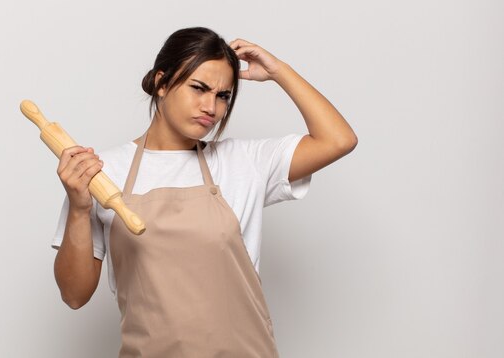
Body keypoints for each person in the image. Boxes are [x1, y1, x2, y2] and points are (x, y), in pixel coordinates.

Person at [51, 27, 357, 357]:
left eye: (223, 95)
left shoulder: (244, 162)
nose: (211, 106)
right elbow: (74, 294)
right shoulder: (101, 174)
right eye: (199, 88)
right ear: (162, 83)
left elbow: (339, 139)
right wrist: (79, 207)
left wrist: (279, 71)